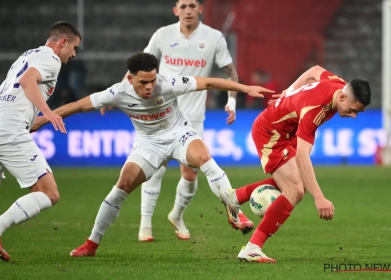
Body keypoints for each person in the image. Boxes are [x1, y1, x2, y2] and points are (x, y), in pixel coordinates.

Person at [31, 52, 272, 257]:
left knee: (204, 156)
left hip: (179, 134)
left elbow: (209, 82)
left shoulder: (168, 83)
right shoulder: (117, 92)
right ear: (129, 78)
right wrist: (44, 118)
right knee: (122, 184)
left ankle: (234, 211)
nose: (149, 87)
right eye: (143, 82)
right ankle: (91, 243)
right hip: (148, 144)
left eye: (152, 81)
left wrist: (244, 88)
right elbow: (79, 105)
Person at [127, 0, 254, 242]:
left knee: (191, 175)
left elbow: (230, 73)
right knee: (154, 170)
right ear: (175, 10)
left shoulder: (214, 37)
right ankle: (145, 226)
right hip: (160, 116)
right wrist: (118, 96)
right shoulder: (162, 35)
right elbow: (138, 68)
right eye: (183, 6)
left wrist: (232, 101)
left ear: (200, 9)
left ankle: (176, 215)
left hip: (192, 119)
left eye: (192, 5)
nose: (188, 10)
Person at [219, 65, 371, 263]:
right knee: (295, 190)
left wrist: (289, 91)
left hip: (286, 130)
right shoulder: (315, 109)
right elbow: (302, 157)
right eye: (352, 110)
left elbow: (315, 70)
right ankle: (252, 248)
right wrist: (320, 198)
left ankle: (235, 197)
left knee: (293, 182)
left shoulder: (338, 85)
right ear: (342, 98)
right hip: (271, 133)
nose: (353, 115)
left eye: (357, 112)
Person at [0, 21, 81, 262]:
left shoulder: (28, 54)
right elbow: (27, 82)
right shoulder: (52, 59)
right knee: (49, 193)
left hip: (5, 120)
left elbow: (11, 88)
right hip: (10, 129)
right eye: (74, 47)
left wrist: (33, 119)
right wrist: (48, 112)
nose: (74, 54)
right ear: (62, 42)